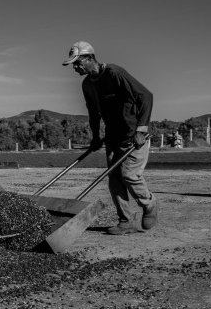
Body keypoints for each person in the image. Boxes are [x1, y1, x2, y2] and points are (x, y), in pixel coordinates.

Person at [63, 41, 157, 235]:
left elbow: (146, 96)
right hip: (112, 137)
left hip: (134, 137)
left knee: (130, 175)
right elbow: (93, 113)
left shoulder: (114, 72)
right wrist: (96, 136)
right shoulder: (87, 85)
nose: (75, 67)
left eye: (77, 62)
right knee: (114, 180)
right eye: (73, 64)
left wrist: (141, 129)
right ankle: (126, 221)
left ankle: (149, 204)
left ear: (89, 58)